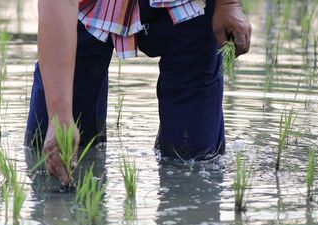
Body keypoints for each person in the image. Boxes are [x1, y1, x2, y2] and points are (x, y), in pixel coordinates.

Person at [25, 0, 252, 186]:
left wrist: (228, 4)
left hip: (188, 6)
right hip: (90, 8)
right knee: (47, 154)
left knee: (193, 164)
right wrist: (59, 116)